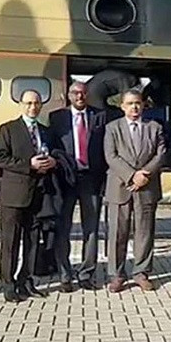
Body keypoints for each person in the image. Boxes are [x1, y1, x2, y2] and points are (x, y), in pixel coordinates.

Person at [0, 89, 57, 302]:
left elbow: (53, 153)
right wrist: (28, 165)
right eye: (28, 103)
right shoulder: (8, 129)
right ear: (21, 104)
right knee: (10, 242)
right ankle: (8, 284)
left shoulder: (45, 131)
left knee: (32, 240)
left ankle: (26, 281)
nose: (33, 107)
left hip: (39, 194)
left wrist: (52, 162)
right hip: (14, 195)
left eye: (37, 103)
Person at [103, 89, 166, 293]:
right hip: (120, 186)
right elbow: (111, 156)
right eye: (130, 103)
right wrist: (132, 175)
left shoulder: (154, 127)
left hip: (146, 187)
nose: (134, 107)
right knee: (117, 233)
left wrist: (145, 174)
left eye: (137, 103)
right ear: (122, 106)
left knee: (144, 232)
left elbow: (161, 153)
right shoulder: (112, 128)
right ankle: (117, 275)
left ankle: (141, 272)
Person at [48, 81, 108, 292]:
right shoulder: (57, 118)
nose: (80, 96)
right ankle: (65, 275)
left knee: (90, 228)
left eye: (83, 93)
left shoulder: (99, 116)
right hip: (66, 179)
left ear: (87, 95)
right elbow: (53, 149)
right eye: (75, 93)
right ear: (69, 95)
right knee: (63, 228)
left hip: (92, 179)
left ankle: (86, 274)